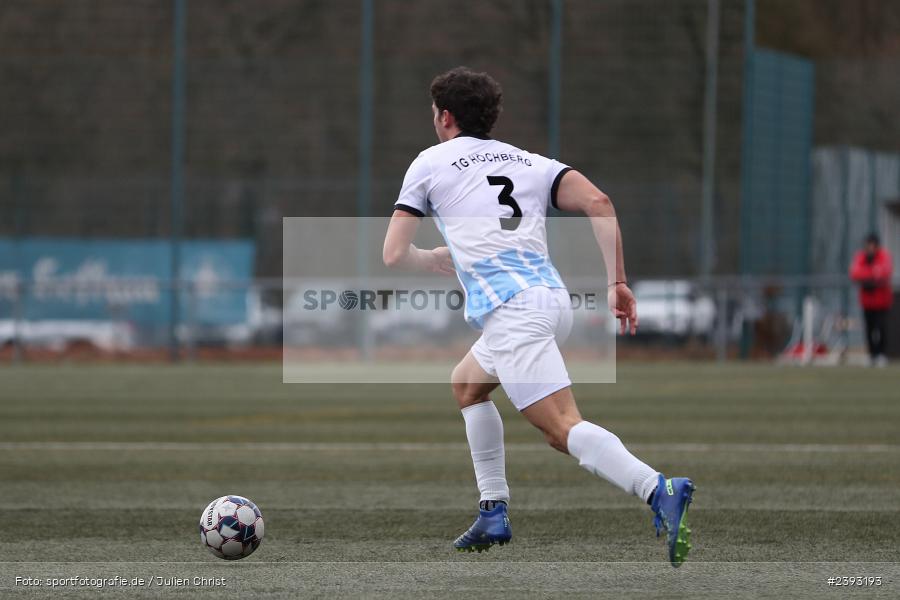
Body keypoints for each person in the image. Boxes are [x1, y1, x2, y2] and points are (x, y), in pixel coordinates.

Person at [381, 67, 694, 567]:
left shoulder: (430, 162)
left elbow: (394, 255)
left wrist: (432, 259)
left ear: (444, 117)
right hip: (550, 301)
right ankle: (493, 511)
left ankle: (658, 488)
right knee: (467, 385)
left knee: (561, 428)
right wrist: (616, 281)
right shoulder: (529, 162)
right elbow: (599, 202)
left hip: (513, 314)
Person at [849, 233, 893, 367]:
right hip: (867, 302)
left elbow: (885, 272)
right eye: (867, 245)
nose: (869, 248)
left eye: (872, 245)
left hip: (881, 302)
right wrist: (872, 273)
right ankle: (872, 355)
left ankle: (881, 354)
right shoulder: (861, 257)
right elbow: (855, 273)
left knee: (881, 328)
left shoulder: (884, 256)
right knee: (869, 329)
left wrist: (868, 274)